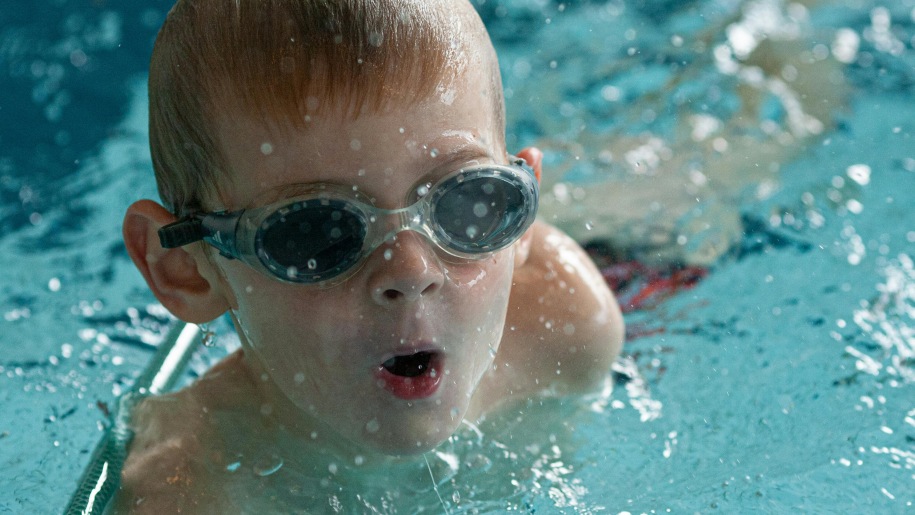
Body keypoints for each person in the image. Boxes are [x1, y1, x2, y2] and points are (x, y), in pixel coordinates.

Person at [115, 0, 623, 511]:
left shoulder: (564, 328)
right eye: (317, 233)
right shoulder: (190, 488)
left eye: (468, 202)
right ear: (184, 270)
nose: (411, 271)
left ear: (518, 222)